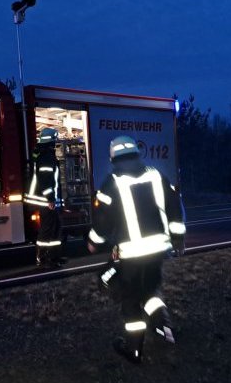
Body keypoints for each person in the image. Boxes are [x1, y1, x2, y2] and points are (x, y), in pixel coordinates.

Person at [87, 135, 186, 364]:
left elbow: (103, 221)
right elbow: (174, 207)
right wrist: (178, 238)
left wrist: (93, 242)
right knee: (150, 290)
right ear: (136, 153)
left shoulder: (111, 182)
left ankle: (134, 350)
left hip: (131, 254)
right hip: (158, 250)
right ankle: (163, 327)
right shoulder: (156, 175)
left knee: (130, 301)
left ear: (113, 158)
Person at [24, 127, 64, 267]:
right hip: (45, 200)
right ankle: (43, 257)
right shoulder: (47, 157)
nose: (56, 143)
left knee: (55, 227)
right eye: (55, 140)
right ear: (51, 141)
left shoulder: (44, 155)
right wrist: (50, 199)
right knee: (47, 229)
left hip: (46, 200)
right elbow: (46, 181)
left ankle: (54, 256)